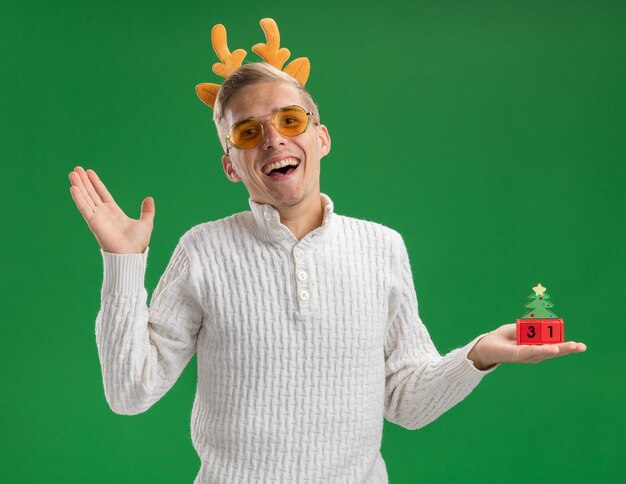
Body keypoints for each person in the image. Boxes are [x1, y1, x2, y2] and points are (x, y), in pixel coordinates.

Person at [68, 22, 586, 484]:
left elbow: (406, 400)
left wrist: (478, 356)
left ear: (321, 137)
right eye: (249, 132)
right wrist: (122, 263)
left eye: (289, 120)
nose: (273, 138)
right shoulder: (203, 250)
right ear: (231, 165)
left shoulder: (381, 247)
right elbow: (130, 392)